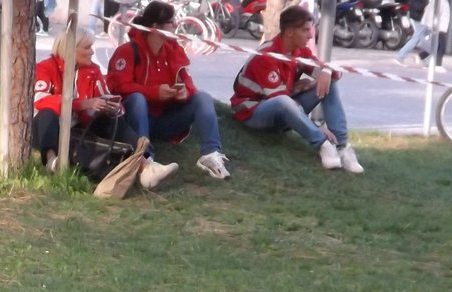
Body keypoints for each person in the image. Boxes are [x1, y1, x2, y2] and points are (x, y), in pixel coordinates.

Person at [106, 0, 230, 181]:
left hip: (164, 119)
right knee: (137, 98)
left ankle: (210, 154)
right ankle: (145, 160)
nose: (176, 26)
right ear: (156, 27)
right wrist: (154, 92)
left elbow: (188, 83)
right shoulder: (128, 50)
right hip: (135, 119)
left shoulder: (173, 50)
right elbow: (119, 87)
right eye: (172, 22)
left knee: (202, 97)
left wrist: (184, 92)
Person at [231, 3, 361, 173]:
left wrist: (327, 71)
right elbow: (279, 101)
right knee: (284, 101)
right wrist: (315, 126)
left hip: (284, 108)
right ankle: (323, 144)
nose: (310, 36)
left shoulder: (300, 51)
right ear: (290, 32)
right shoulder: (267, 56)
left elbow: (333, 74)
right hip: (253, 113)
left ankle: (342, 147)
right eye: (306, 30)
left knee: (327, 82)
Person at [32, 25, 151, 179]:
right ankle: (51, 161)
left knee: (109, 118)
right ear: (71, 49)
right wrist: (81, 104)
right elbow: (39, 99)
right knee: (47, 113)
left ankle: (147, 164)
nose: (92, 52)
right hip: (46, 128)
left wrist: (113, 107)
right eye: (87, 47)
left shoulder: (93, 70)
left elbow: (104, 97)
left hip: (79, 128)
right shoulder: (45, 67)